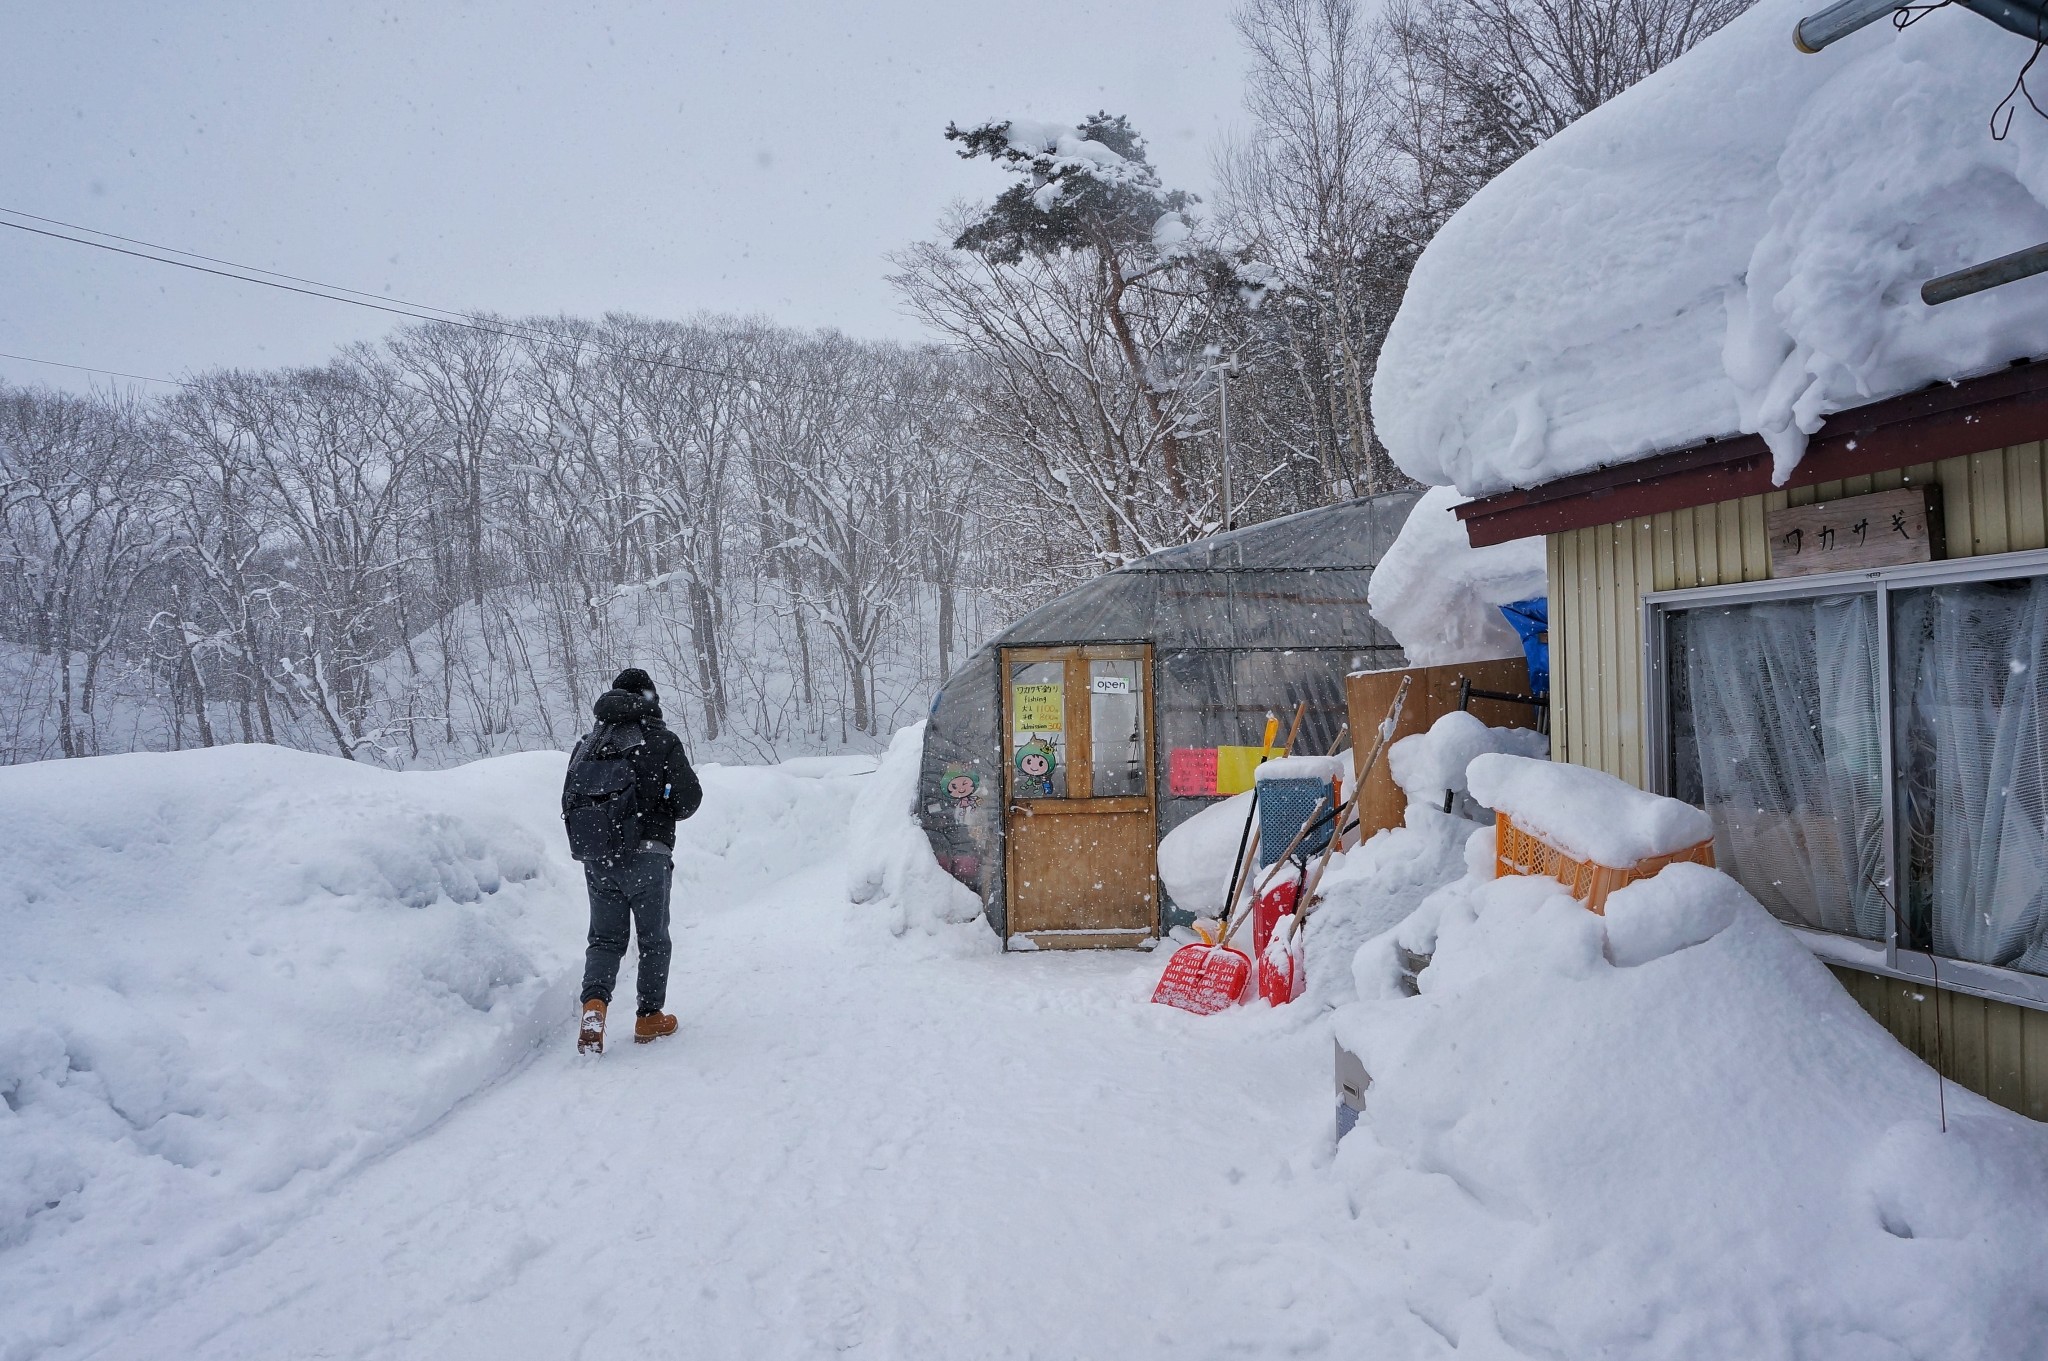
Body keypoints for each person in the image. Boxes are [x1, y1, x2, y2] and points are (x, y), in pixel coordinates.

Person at [563, 668, 702, 1054]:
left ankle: (594, 1006)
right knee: (653, 939)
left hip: (600, 859)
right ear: (649, 698)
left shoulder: (589, 743)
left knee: (605, 940)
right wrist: (662, 806)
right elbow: (689, 799)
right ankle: (648, 1017)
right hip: (648, 855)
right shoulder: (661, 740)